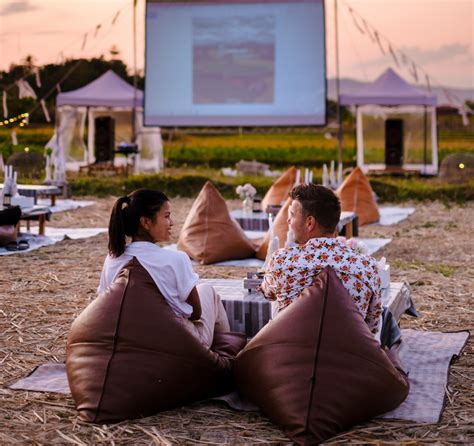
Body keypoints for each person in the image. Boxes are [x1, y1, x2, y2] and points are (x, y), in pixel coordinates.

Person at [98, 188, 230, 348]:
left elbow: (104, 303)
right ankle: (226, 354)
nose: (172, 222)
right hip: (178, 344)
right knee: (208, 291)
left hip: (130, 340)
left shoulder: (113, 258)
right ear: (145, 222)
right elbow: (196, 314)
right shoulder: (175, 259)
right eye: (167, 216)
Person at [260, 184, 382, 338]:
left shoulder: (282, 260)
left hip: (292, 354)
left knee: (278, 300)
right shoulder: (367, 265)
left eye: (292, 214)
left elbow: (267, 292)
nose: (288, 221)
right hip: (349, 356)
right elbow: (372, 325)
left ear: (309, 223)